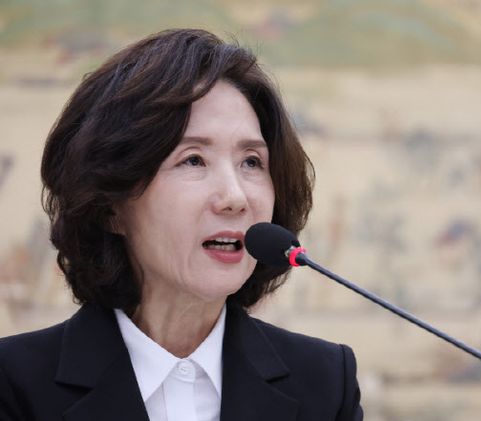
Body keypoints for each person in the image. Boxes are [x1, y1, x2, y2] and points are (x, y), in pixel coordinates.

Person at [0, 29, 363, 421]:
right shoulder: (15, 384)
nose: (235, 197)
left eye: (252, 162)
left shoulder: (325, 382)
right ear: (110, 205)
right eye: (193, 160)